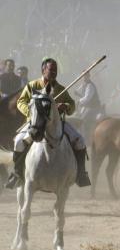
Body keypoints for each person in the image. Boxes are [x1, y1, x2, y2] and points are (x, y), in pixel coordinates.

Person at [5, 58, 91, 189]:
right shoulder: (32, 86)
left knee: (80, 141)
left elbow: (72, 105)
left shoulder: (60, 89)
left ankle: (81, 174)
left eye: (55, 70)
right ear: (43, 70)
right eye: (51, 69)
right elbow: (21, 102)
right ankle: (17, 174)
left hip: (57, 124)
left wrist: (65, 106)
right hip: (35, 123)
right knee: (18, 141)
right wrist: (31, 112)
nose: (54, 72)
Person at [73, 71, 103, 140]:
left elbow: (87, 98)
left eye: (85, 75)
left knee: (83, 120)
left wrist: (79, 101)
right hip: (87, 107)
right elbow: (81, 93)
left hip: (93, 107)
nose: (84, 77)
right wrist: (76, 92)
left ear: (88, 76)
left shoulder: (90, 85)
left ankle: (86, 138)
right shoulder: (84, 84)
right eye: (82, 76)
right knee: (77, 116)